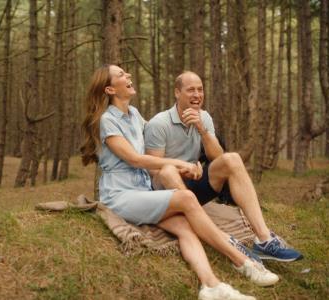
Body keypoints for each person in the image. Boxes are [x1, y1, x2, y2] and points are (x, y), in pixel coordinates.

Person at [80, 64, 279, 300]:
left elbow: (157, 148)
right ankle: (243, 261)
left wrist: (189, 165)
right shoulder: (106, 120)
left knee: (185, 228)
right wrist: (179, 164)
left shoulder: (134, 115)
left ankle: (211, 286)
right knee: (185, 198)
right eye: (121, 75)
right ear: (110, 89)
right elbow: (134, 159)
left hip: (144, 192)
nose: (128, 75)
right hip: (120, 195)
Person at [144, 71, 303, 262]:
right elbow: (153, 169)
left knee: (232, 159)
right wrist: (183, 168)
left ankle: (264, 240)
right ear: (177, 93)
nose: (197, 95)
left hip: (194, 185)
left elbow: (218, 158)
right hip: (168, 192)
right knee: (168, 171)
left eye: (200, 90)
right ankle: (217, 236)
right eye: (191, 90)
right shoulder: (159, 124)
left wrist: (202, 130)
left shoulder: (205, 117)